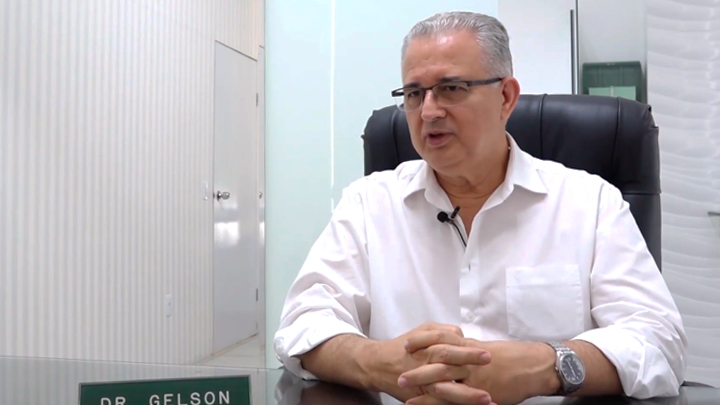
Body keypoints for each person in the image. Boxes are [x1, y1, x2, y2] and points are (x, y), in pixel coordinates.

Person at [274, 11, 688, 405]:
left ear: (506, 97)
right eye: (414, 93)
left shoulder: (590, 202)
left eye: (451, 88)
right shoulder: (368, 204)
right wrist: (381, 364)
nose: (429, 111)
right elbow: (302, 324)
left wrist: (544, 366)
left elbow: (658, 343)